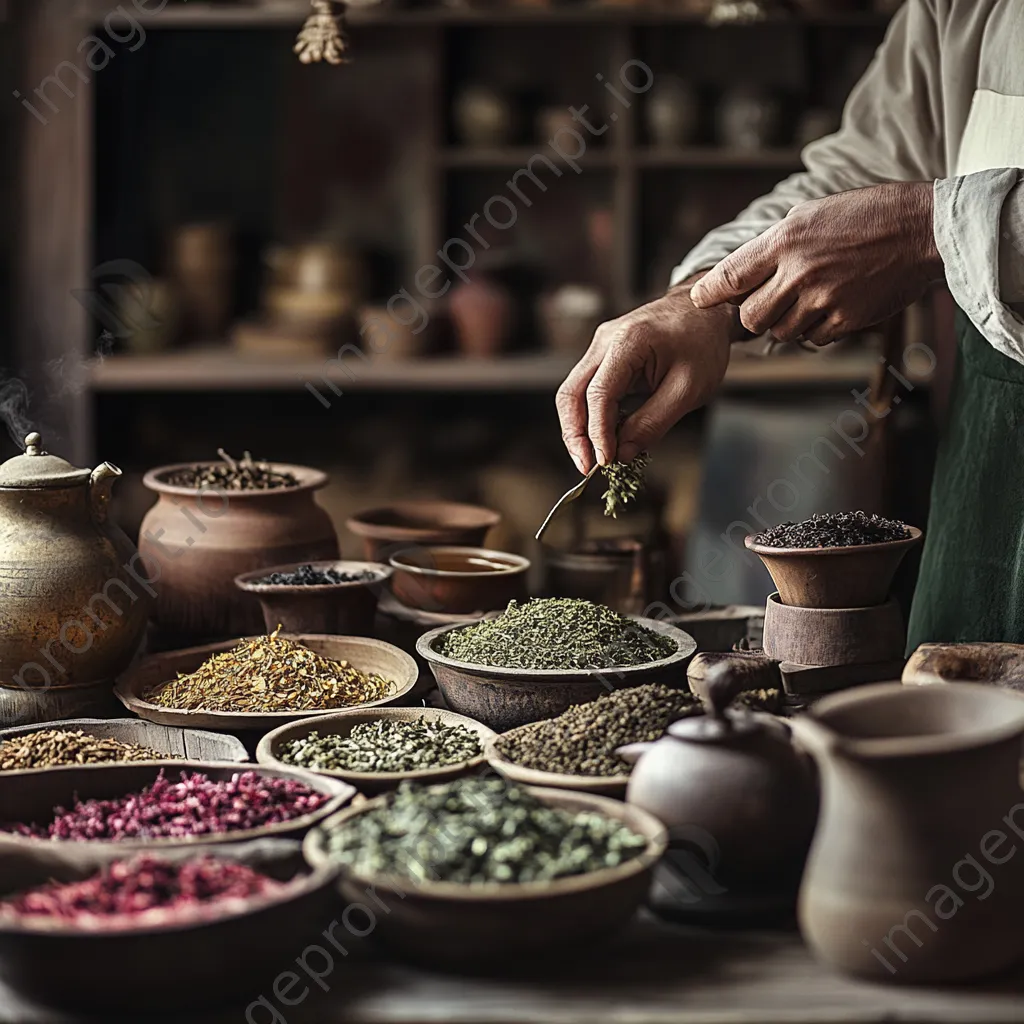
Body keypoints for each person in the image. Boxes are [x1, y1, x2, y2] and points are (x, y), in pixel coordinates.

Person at [555, 0, 1024, 649]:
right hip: (994, 444)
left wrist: (933, 228)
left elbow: (923, 213)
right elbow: (859, 171)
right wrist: (698, 303)